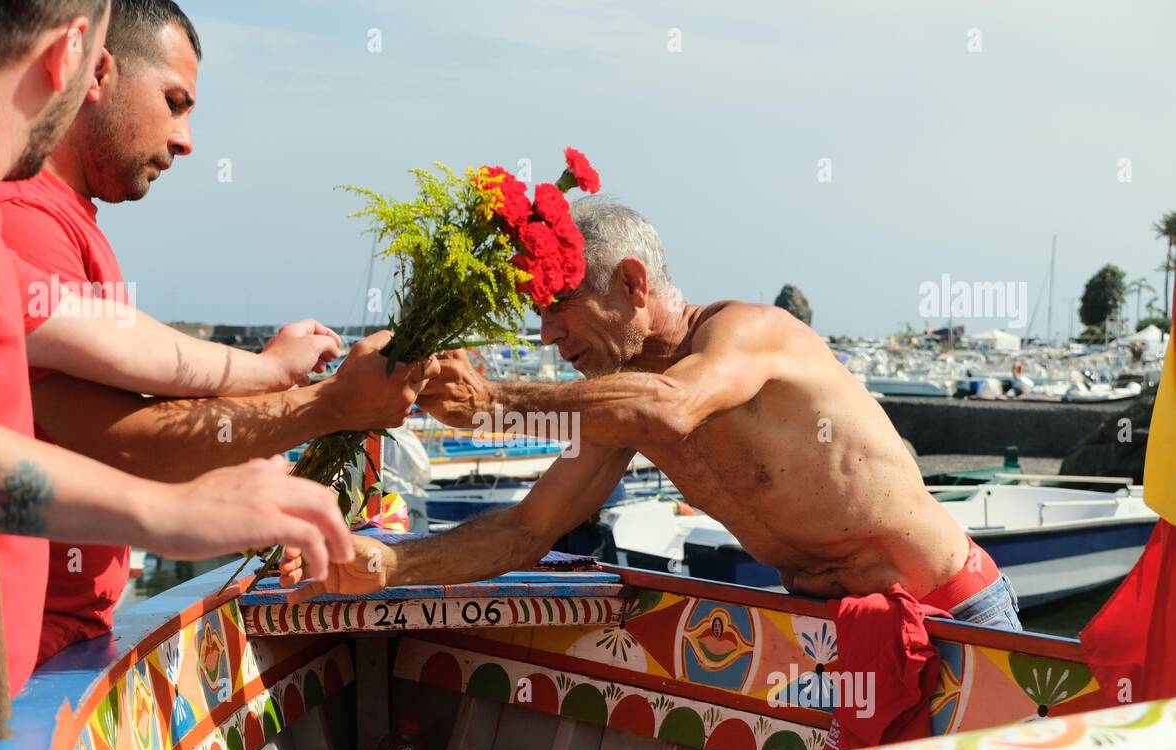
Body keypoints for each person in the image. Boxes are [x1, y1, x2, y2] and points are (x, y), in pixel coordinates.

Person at [0, 0, 351, 750]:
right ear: (74, 57)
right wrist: (166, 513)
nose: (188, 139)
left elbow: (98, 331)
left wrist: (269, 370)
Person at [281, 198, 1023, 631]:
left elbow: (672, 407)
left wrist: (497, 404)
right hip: (832, 631)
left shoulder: (748, 333)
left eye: (561, 308)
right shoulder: (622, 396)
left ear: (633, 283)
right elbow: (526, 528)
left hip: (957, 611)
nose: (547, 334)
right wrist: (386, 564)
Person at [0, 0, 433, 664]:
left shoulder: (65, 219)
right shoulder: (24, 215)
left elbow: (139, 369)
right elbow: (121, 446)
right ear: (98, 73)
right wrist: (329, 404)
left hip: (55, 632)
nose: (186, 139)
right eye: (175, 102)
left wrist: (274, 390)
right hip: (20, 643)